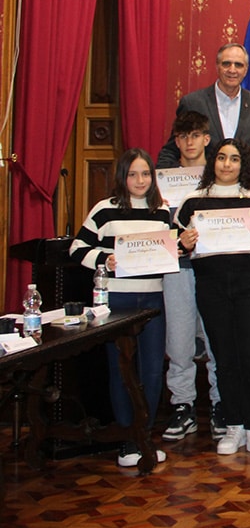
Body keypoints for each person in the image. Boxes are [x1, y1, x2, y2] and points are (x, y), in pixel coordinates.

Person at [70, 149, 172, 467]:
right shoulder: (105, 210)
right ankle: (127, 440)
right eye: (133, 174)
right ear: (122, 177)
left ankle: (145, 435)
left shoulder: (162, 211)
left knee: (153, 371)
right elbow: (77, 247)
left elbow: (169, 252)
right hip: (117, 302)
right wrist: (105, 259)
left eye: (145, 174)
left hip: (153, 301)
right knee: (121, 370)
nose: (140, 181)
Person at [176, 139, 250, 459]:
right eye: (221, 158)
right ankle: (233, 425)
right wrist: (185, 242)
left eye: (234, 159)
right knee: (224, 358)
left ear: (242, 164)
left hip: (249, 287)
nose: (227, 164)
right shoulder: (192, 201)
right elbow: (178, 245)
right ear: (212, 162)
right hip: (211, 287)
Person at [156, 112, 223, 443]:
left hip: (213, 268)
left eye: (196, 135)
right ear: (176, 141)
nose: (190, 142)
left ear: (207, 139)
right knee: (180, 341)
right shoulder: (161, 181)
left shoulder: (221, 177)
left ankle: (219, 404)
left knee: (216, 339)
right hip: (177, 268)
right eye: (183, 137)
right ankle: (182, 406)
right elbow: (154, 228)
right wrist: (176, 239)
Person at [158, 43, 250, 166]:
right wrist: (171, 179)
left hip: (245, 184)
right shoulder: (193, 103)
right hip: (202, 183)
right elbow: (172, 150)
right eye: (226, 64)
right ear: (217, 66)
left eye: (238, 65)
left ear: (246, 70)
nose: (232, 70)